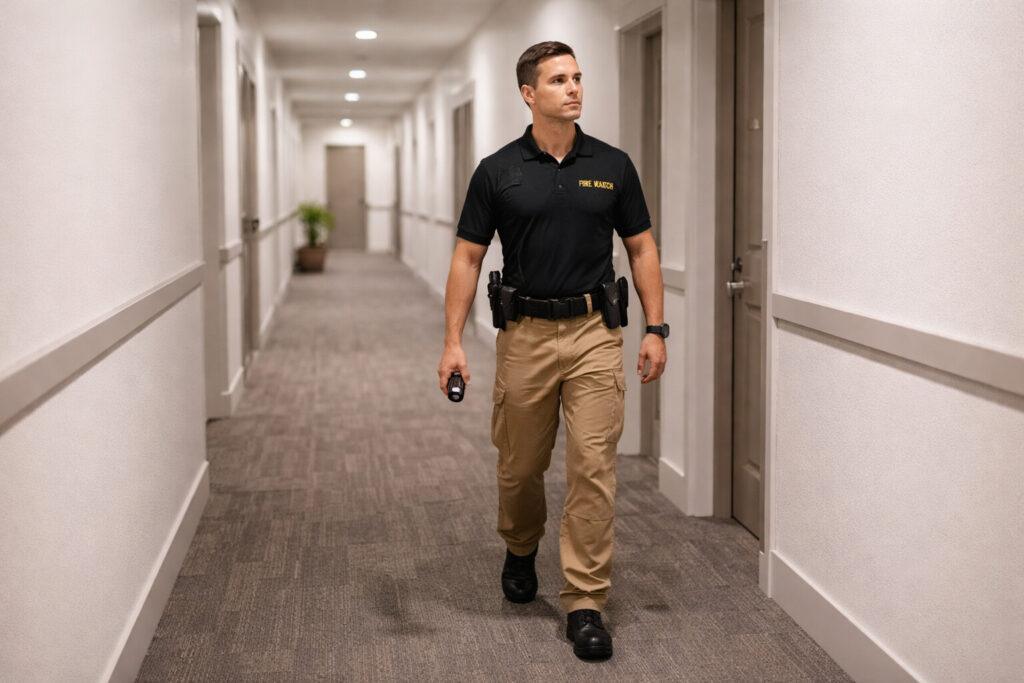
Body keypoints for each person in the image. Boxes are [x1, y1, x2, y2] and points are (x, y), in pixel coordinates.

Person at [436, 40, 668, 661]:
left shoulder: (613, 166)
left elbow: (642, 248)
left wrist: (655, 327)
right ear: (528, 94)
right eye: (559, 79)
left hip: (595, 332)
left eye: (578, 77)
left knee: (593, 468)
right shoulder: (499, 170)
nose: (574, 88)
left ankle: (586, 600)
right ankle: (519, 546)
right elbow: (467, 256)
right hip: (526, 337)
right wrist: (454, 341)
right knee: (520, 465)